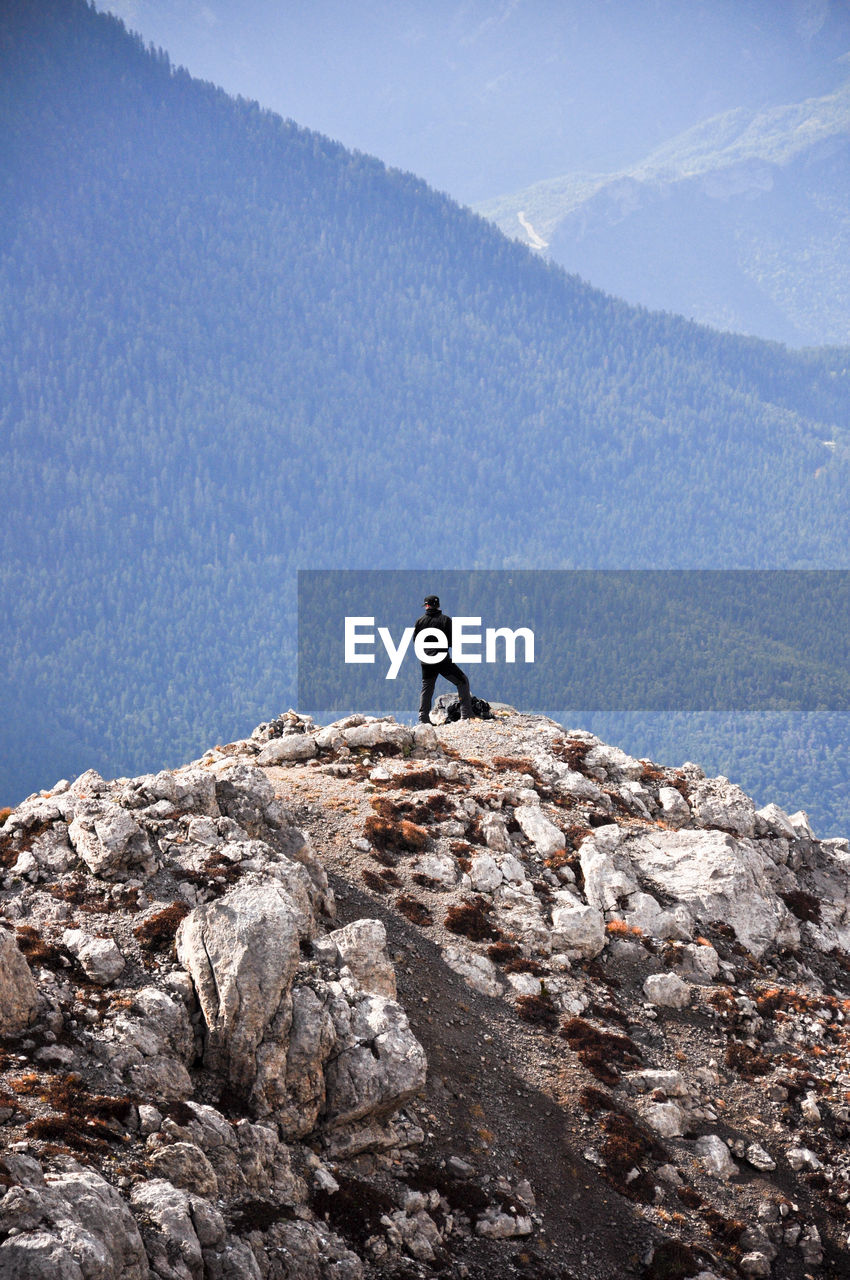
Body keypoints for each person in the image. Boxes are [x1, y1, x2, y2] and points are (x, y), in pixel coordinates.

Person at [414, 594, 472, 723]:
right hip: (441, 658)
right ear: (438, 605)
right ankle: (466, 715)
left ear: (427, 606)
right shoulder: (445, 620)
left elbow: (416, 641)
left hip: (425, 659)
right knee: (462, 681)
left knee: (427, 688)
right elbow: (452, 641)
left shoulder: (420, 621)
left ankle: (423, 719)